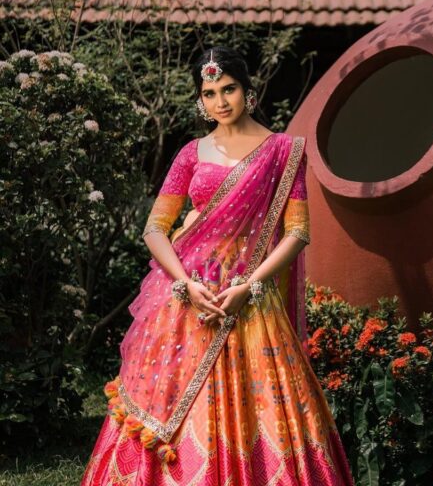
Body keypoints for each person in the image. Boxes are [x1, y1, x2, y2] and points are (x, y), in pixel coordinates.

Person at [81, 46, 355, 486]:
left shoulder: (284, 152)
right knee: (169, 400)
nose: (220, 101)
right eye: (209, 93)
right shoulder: (190, 154)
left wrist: (249, 285)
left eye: (228, 89)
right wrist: (185, 283)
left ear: (248, 91)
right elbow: (155, 228)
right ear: (200, 100)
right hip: (189, 295)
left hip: (248, 298)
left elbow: (298, 232)